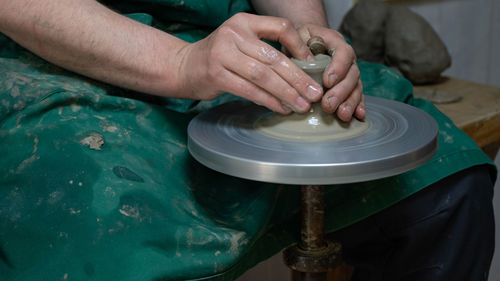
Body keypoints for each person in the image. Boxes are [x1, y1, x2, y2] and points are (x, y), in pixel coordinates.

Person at [0, 0, 495, 280]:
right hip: (57, 54)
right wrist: (179, 64)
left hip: (230, 36)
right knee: (104, 230)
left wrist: (309, 36)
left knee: (448, 183)